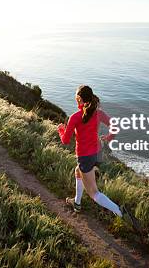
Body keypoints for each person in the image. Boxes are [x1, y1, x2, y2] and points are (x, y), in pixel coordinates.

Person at [57, 85, 126, 218]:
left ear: (79, 99)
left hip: (85, 157)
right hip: (97, 154)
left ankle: (120, 212)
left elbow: (65, 141)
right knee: (78, 171)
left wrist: (61, 130)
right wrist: (109, 137)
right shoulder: (98, 112)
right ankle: (76, 203)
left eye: (77, 98)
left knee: (94, 193)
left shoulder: (75, 117)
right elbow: (115, 126)